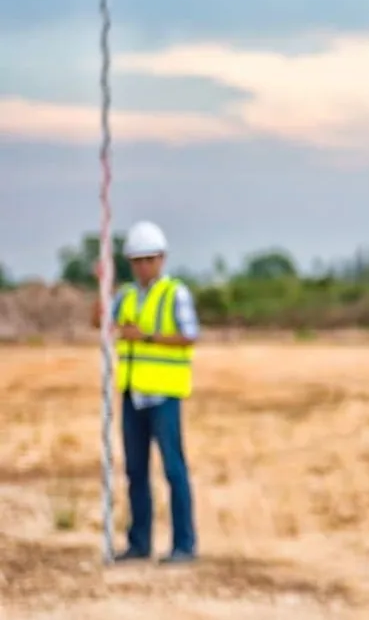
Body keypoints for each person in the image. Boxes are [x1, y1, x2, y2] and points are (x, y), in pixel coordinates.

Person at [91, 220, 199, 564]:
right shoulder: (125, 295)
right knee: (135, 470)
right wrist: (101, 287)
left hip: (164, 395)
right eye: (137, 260)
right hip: (132, 393)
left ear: (161, 259)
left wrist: (147, 336)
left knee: (173, 470)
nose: (143, 266)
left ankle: (184, 545)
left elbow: (189, 335)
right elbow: (100, 323)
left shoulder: (175, 293)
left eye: (149, 259)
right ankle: (139, 543)